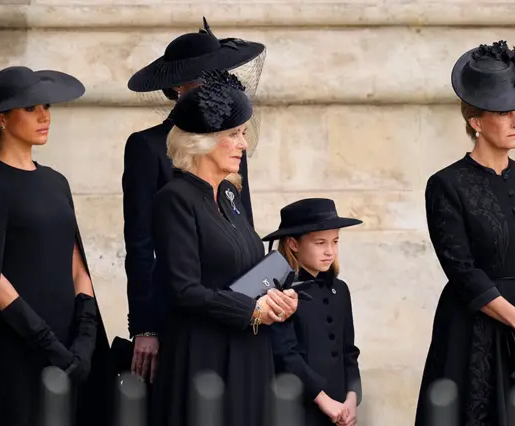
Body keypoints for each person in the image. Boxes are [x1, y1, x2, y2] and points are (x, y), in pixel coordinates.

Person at [415, 40, 515, 425]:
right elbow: (463, 272)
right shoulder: (446, 184)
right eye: (504, 114)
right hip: (475, 335)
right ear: (476, 122)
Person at [0, 66, 111, 426]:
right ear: (2, 119)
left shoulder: (56, 182)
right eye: (30, 108)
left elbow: (76, 262)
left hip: (69, 342)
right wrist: (45, 343)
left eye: (46, 106)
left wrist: (85, 337)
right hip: (16, 345)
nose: (44, 116)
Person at [150, 70, 299, 426]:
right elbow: (184, 289)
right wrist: (250, 312)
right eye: (234, 134)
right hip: (204, 355)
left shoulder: (230, 194)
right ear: (202, 141)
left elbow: (251, 267)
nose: (243, 144)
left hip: (249, 350)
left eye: (242, 134)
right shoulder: (175, 199)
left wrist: (282, 297)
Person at [123, 17, 266, 383]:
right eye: (202, 76)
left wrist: (257, 298)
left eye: (217, 74)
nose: (213, 84)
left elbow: (243, 223)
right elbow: (139, 244)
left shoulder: (231, 145)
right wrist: (145, 327)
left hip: (235, 310)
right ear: (178, 87)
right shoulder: (146, 146)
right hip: (180, 310)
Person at [262, 198, 362, 426]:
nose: (330, 251)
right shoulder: (280, 293)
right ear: (293, 244)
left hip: (339, 410)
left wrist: (351, 398)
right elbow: (284, 354)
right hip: (298, 409)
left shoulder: (340, 289)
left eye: (335, 242)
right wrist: (324, 400)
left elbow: (349, 352)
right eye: (320, 243)